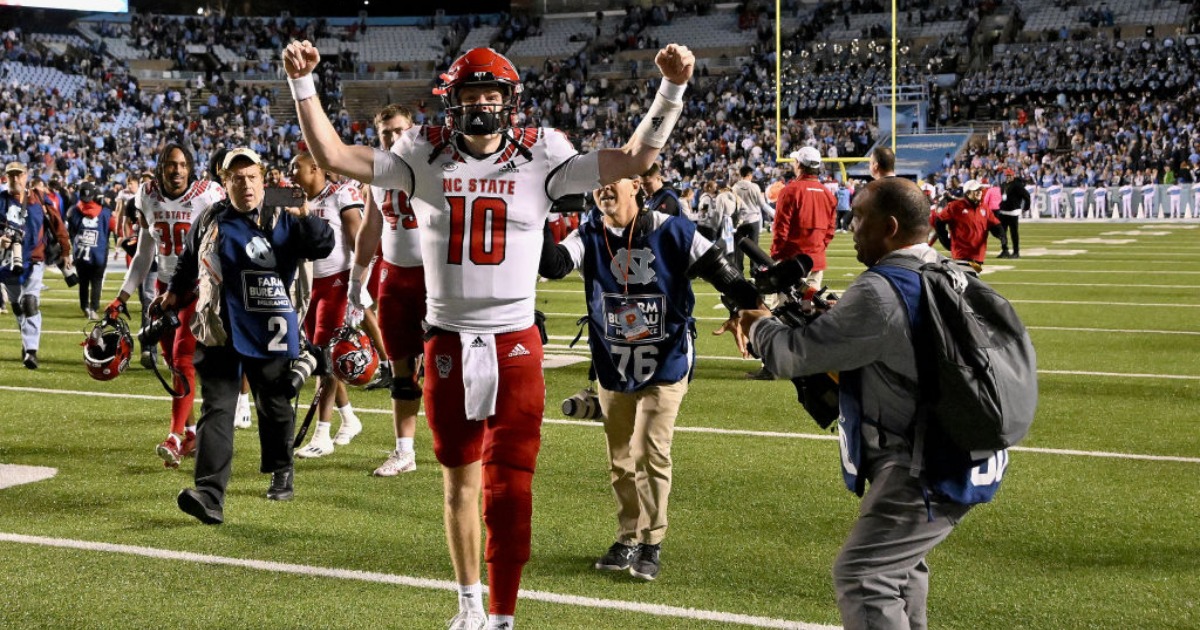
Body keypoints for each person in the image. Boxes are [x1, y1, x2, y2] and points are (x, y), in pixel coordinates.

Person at [284, 39, 694, 630]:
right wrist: (302, 84)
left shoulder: (543, 154)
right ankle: (468, 604)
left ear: (510, 101)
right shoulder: (422, 153)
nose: (482, 104)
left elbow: (634, 158)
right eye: (471, 93)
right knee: (458, 485)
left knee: (511, 490)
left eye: (492, 94)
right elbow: (333, 154)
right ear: (452, 101)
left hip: (515, 341)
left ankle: (502, 616)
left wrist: (672, 88)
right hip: (447, 339)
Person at [731, 177, 996, 630]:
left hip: (925, 462)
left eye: (858, 219)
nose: (847, 227)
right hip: (961, 446)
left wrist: (757, 322)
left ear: (889, 227)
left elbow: (789, 354)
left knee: (863, 575)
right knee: (900, 568)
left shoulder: (880, 290)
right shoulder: (944, 270)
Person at [538, 174, 758, 582]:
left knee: (647, 450)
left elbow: (723, 273)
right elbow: (553, 266)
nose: (602, 187)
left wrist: (744, 308)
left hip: (666, 358)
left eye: (612, 181)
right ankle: (628, 537)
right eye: (597, 181)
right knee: (619, 459)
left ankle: (652, 539)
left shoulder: (671, 229)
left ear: (636, 184)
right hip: (612, 362)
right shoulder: (588, 234)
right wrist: (531, 215)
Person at [165, 148, 335, 525]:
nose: (246, 185)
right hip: (220, 327)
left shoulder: (283, 212)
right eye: (236, 178)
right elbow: (189, 260)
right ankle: (209, 494)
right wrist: (174, 294)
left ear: (263, 178)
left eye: (252, 177)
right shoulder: (211, 216)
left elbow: (323, 245)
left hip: (269, 326)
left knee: (273, 405)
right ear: (224, 183)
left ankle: (281, 468)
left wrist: (305, 213)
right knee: (218, 409)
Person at [106, 143, 227, 468]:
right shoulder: (147, 195)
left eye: (182, 165)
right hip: (163, 289)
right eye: (171, 165)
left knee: (182, 359)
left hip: (197, 289)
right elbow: (145, 252)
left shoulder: (208, 194)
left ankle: (173, 437)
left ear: (191, 168)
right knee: (175, 367)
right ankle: (190, 433)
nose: (177, 171)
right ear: (161, 168)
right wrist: (123, 296)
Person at [348, 103, 424, 477]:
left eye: (399, 130)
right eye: (386, 133)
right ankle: (404, 451)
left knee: (451, 366)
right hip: (394, 276)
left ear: (413, 129)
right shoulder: (376, 174)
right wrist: (356, 277)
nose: (393, 138)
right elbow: (370, 228)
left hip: (436, 277)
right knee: (401, 367)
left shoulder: (432, 163)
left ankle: (458, 439)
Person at [288, 152, 365, 459]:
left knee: (323, 355)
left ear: (316, 168)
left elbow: (358, 240)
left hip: (337, 282)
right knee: (321, 358)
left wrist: (359, 290)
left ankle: (322, 433)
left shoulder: (341, 193)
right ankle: (349, 418)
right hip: (310, 284)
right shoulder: (293, 197)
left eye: (298, 167)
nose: (292, 172)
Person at [1, 162, 71, 369]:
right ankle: (26, 341)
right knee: (17, 306)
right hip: (7, 261)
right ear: (6, 177)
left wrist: (65, 251)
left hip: (35, 259)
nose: (15, 179)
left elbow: (57, 223)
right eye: (11, 175)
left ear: (26, 176)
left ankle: (31, 351)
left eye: (18, 175)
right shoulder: (1, 201)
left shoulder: (39, 198)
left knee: (29, 302)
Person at [66, 182, 114, 320]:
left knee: (83, 281)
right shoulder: (105, 212)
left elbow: (72, 232)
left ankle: (85, 306)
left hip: (81, 252)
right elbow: (113, 228)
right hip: (98, 252)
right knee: (97, 280)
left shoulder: (73, 211)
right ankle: (94, 308)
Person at [932, 179, 1002, 271]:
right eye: (976, 190)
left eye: (980, 190)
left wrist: (1001, 234)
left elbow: (994, 223)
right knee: (967, 280)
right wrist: (944, 239)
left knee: (971, 280)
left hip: (978, 255)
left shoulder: (984, 207)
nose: (979, 192)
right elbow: (939, 221)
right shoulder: (955, 206)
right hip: (961, 254)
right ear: (968, 193)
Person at [731, 165, 770, 275]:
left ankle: (738, 270)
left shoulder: (734, 187)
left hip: (739, 221)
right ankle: (754, 270)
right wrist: (774, 215)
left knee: (738, 247)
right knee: (754, 247)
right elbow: (762, 204)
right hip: (753, 220)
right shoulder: (754, 187)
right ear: (749, 175)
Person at [996, 175, 1029, 259]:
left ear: (1013, 176)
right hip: (1003, 212)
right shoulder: (1003, 184)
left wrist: (1026, 208)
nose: (1008, 177)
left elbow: (1027, 196)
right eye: (1007, 175)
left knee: (1014, 233)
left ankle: (1016, 252)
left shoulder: (1017, 185)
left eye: (1010, 175)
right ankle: (1004, 250)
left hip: (1013, 212)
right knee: (1002, 233)